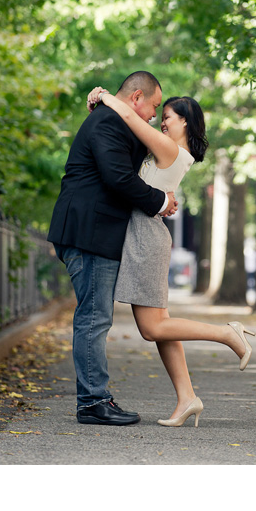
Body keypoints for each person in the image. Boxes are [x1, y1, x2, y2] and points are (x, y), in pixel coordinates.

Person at [88, 86, 255, 428]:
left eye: (168, 117)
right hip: (145, 234)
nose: (162, 122)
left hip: (145, 238)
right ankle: (187, 398)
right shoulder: (174, 154)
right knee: (162, 328)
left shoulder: (170, 150)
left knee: (152, 328)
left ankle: (227, 333)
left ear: (185, 123)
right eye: (161, 117)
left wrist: (105, 97)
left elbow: (131, 117)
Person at [48, 71, 178, 426]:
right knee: (94, 317)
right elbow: (117, 177)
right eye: (152, 106)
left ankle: (95, 398)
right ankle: (92, 403)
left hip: (93, 232)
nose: (153, 115)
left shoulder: (111, 116)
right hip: (88, 232)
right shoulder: (108, 121)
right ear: (136, 97)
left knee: (96, 316)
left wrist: (104, 96)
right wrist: (160, 201)